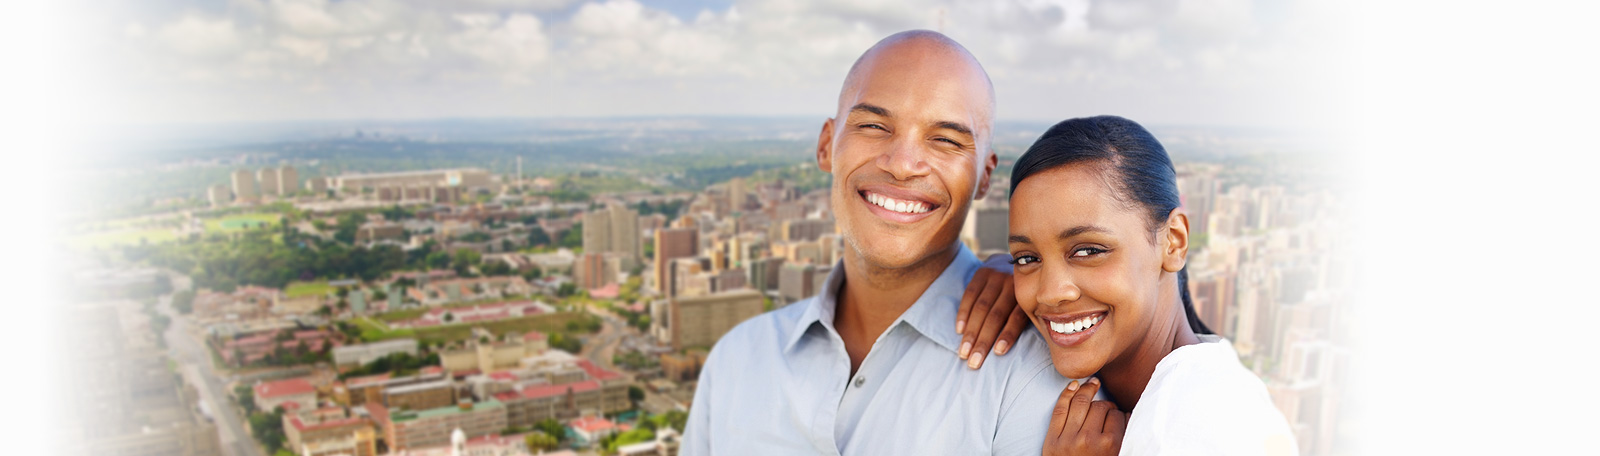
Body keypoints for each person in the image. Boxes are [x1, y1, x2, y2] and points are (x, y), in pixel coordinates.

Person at [681, 30, 1070, 455]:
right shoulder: (736, 360)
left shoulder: (1037, 378)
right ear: (827, 145)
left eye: (945, 139)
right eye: (873, 125)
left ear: (984, 176)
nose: (902, 164)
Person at [1004, 115, 1298, 455]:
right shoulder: (1203, 390)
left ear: (1173, 242)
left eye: (1088, 250)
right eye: (1026, 259)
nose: (1051, 292)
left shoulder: (1186, 430)